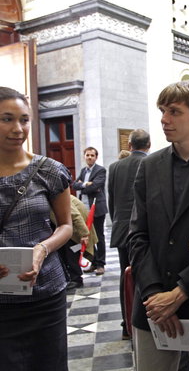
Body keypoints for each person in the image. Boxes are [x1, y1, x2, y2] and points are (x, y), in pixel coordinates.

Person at [128, 81, 189, 371]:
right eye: (162, 111)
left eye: (174, 111)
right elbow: (138, 235)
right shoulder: (149, 166)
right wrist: (155, 294)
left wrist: (181, 292)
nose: (164, 119)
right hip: (152, 307)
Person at [0, 86, 73, 370]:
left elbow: (66, 225)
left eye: (24, 119)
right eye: (7, 119)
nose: (18, 128)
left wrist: (43, 248)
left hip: (44, 293)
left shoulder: (49, 170)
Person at [108, 128, 151, 340]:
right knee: (146, 274)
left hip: (122, 228)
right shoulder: (153, 163)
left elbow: (111, 200)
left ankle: (127, 326)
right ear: (148, 145)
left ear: (130, 146)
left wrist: (117, 222)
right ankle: (144, 324)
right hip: (146, 230)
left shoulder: (115, 167)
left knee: (125, 277)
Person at [72, 146, 108, 275]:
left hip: (97, 208)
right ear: (84, 156)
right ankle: (93, 262)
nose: (90, 157)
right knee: (89, 237)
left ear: (96, 157)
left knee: (98, 236)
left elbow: (95, 187)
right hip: (84, 208)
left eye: (92, 155)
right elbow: (74, 185)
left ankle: (101, 264)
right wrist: (84, 184)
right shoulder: (83, 171)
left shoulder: (100, 170)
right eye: (87, 155)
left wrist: (85, 186)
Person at [55, 194, 98, 290]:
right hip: (70, 226)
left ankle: (76, 279)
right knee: (71, 249)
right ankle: (73, 276)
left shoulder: (56, 197)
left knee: (72, 250)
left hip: (77, 225)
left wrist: (84, 234)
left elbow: (75, 216)